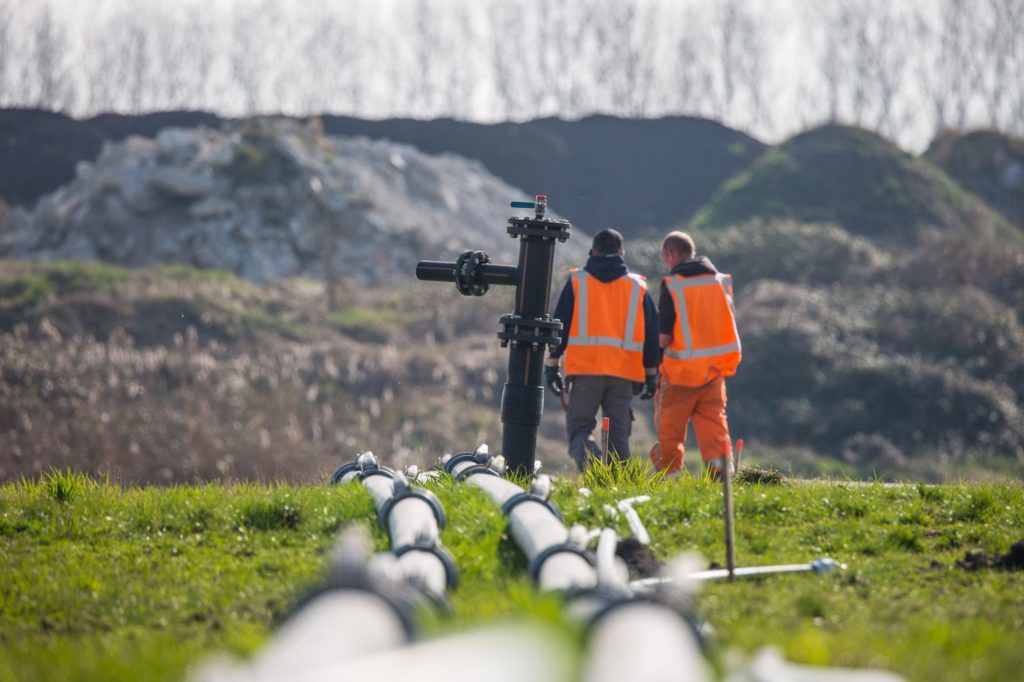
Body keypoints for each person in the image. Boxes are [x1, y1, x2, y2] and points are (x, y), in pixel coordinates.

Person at [543, 228, 660, 472]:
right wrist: (651, 375)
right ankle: (615, 487)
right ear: (622, 253)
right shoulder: (638, 288)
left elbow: (559, 327)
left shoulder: (577, 282)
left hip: (585, 371)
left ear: (592, 251)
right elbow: (651, 334)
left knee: (580, 429)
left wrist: (552, 365)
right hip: (624, 374)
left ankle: (594, 469)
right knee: (618, 437)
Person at [649, 231, 741, 477]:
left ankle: (670, 479)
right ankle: (723, 477)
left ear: (670, 254)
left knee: (670, 429)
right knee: (714, 427)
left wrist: (652, 357)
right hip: (714, 371)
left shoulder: (673, 285)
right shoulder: (720, 281)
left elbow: (665, 336)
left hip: (681, 373)